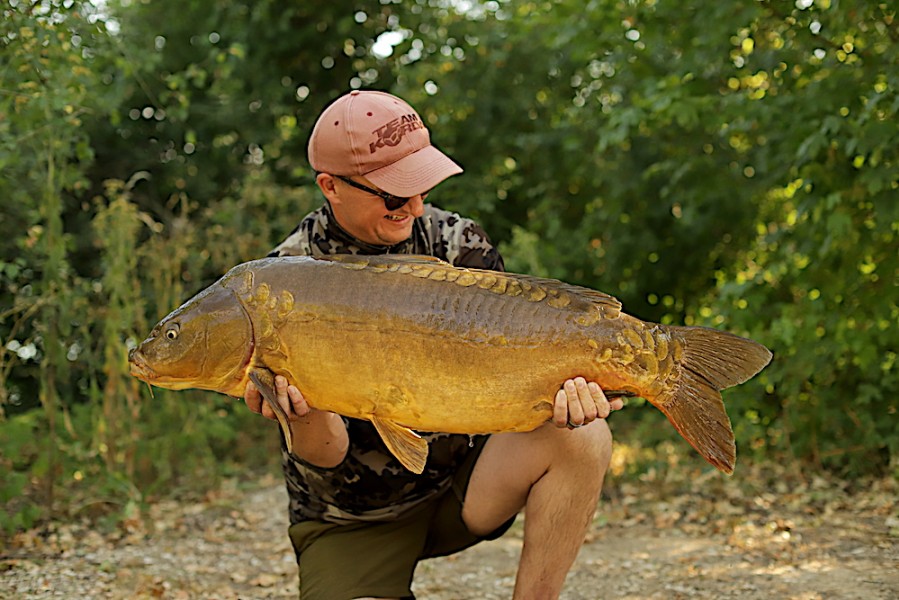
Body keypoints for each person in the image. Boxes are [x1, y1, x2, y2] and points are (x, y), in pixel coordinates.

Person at [243, 90, 623, 600]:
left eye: (421, 184)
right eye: (395, 194)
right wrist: (298, 407)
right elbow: (326, 453)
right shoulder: (280, 287)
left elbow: (512, 373)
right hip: (354, 517)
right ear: (330, 186)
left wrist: (568, 394)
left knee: (585, 435)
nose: (417, 206)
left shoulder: (457, 242)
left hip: (465, 488)